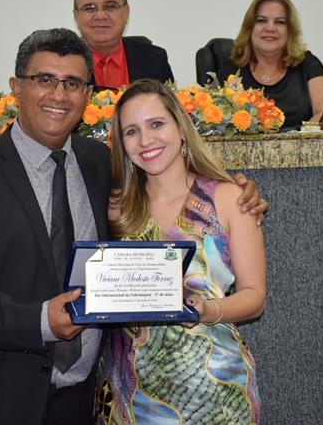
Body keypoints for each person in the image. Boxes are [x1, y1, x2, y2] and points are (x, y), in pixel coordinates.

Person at [0, 29, 266, 425]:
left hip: (92, 401)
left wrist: (238, 192)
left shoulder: (99, 166)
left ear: (87, 94)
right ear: (16, 87)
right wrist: (41, 321)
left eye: (72, 83)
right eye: (44, 79)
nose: (59, 94)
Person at [96, 79, 266, 424]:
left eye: (156, 124)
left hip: (215, 392)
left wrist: (206, 310)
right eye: (131, 131)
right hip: (129, 395)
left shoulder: (228, 199)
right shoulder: (115, 208)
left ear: (181, 128)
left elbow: (254, 297)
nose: (146, 140)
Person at [220, 0, 323, 130]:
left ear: (290, 31)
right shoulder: (230, 69)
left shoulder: (307, 64)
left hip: (300, 143)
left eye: (280, 22)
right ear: (249, 28)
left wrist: (298, 139)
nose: (270, 28)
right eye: (261, 20)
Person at [73, 0, 174, 90]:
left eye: (110, 6)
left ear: (126, 13)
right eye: (89, 8)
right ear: (76, 16)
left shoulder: (155, 59)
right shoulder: (62, 64)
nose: (100, 16)